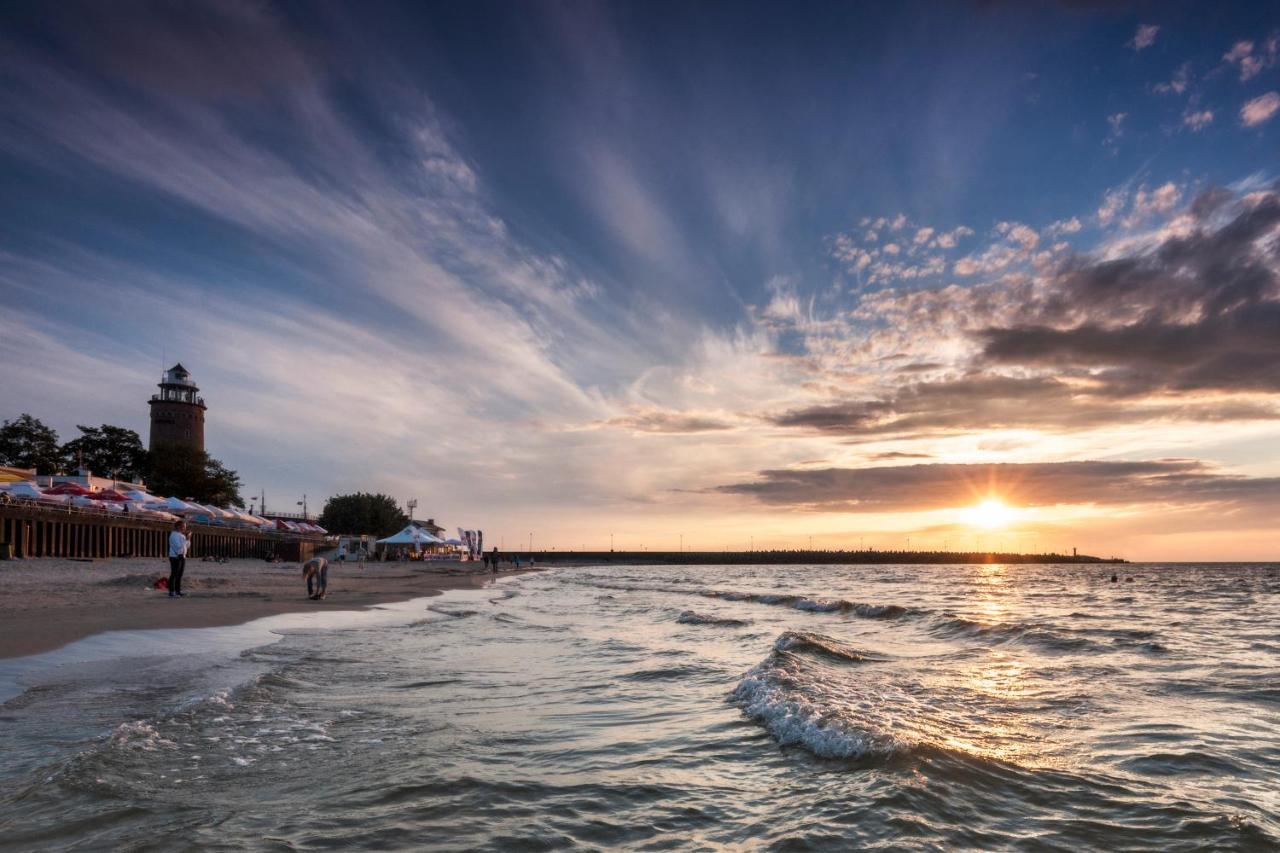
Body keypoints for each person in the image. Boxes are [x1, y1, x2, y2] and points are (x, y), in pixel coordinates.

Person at [168, 520, 189, 598]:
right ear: (178, 527)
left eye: (185, 527)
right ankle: (171, 592)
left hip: (182, 556)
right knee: (174, 574)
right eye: (183, 526)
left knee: (179, 575)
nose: (184, 528)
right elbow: (178, 546)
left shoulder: (182, 535)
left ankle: (178, 591)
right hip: (175, 557)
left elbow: (186, 546)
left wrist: (188, 539)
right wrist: (185, 540)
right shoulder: (173, 535)